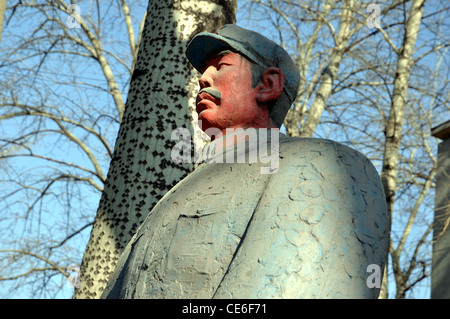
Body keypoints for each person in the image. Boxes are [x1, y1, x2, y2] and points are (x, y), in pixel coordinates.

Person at [101, 25, 388, 299]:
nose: (204, 78)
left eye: (221, 65)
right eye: (204, 70)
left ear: (268, 85)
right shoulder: (175, 195)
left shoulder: (324, 165)